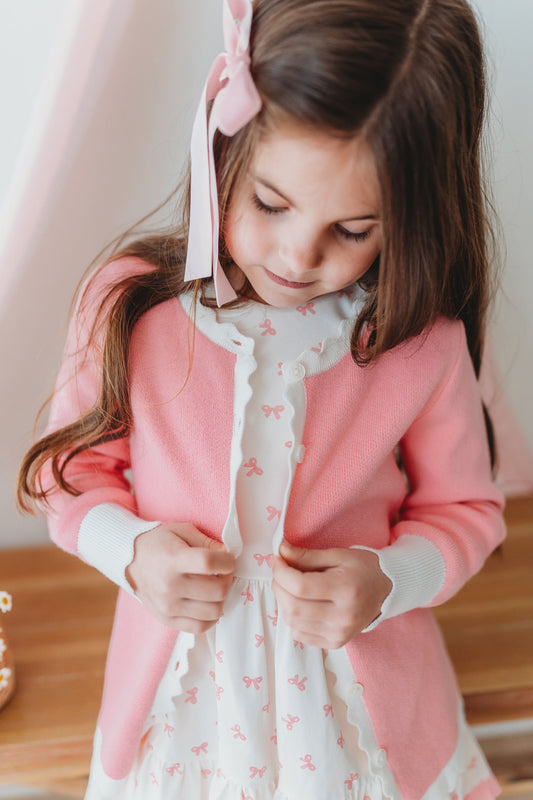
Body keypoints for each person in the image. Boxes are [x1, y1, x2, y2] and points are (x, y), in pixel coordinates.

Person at [17, 0, 507, 797]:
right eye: (272, 204)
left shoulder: (421, 342)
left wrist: (388, 581)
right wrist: (132, 552)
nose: (297, 253)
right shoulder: (132, 309)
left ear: (408, 221)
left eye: (352, 229)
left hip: (358, 723)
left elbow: (467, 511)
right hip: (184, 716)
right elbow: (67, 474)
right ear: (222, 149)